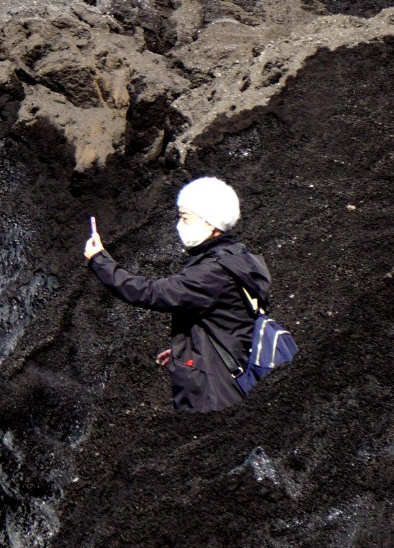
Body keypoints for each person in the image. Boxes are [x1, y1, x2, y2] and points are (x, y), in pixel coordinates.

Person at [83, 177, 270, 415]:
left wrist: (100, 260)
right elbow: (232, 320)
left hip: (214, 390)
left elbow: (151, 292)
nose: (179, 225)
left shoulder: (211, 272)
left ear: (210, 222)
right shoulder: (241, 259)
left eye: (185, 218)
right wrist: (189, 347)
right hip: (233, 372)